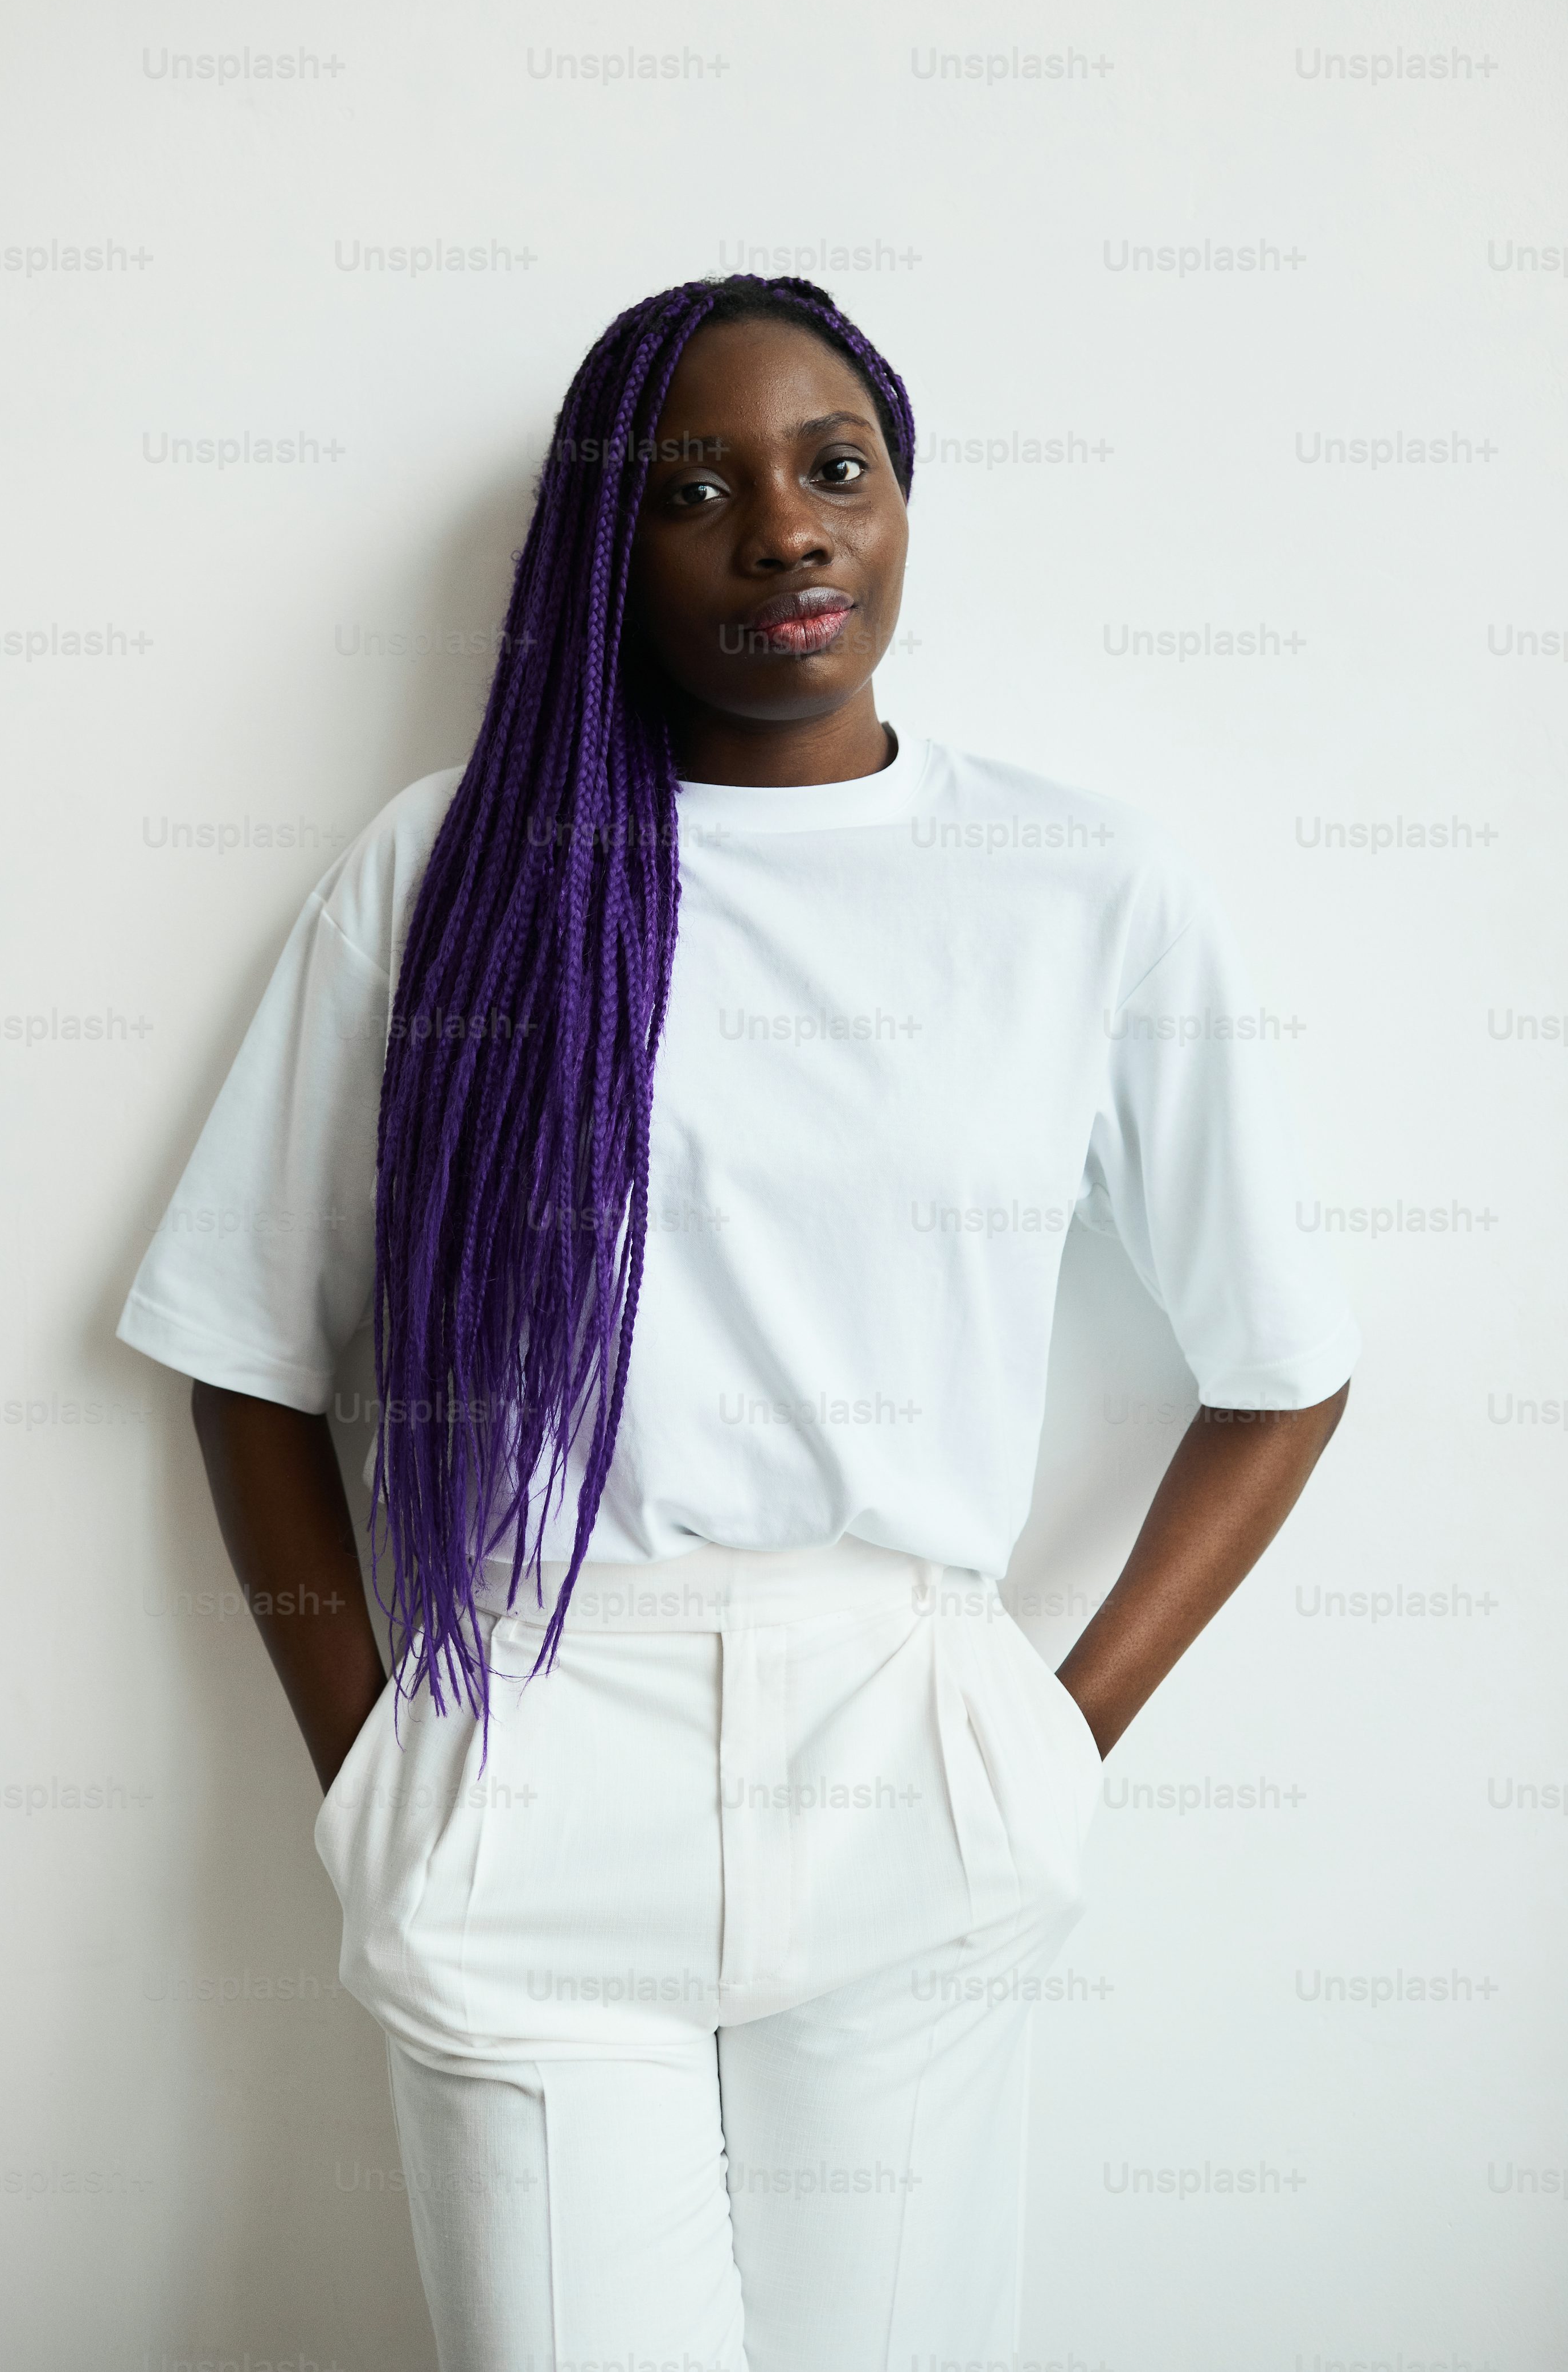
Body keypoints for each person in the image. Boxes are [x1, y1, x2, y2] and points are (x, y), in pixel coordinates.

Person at [118, 274, 1357, 2371]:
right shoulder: (454, 874)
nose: (784, 528)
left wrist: (1051, 1733)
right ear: (615, 555)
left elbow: (1284, 1368)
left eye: (834, 468)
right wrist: (373, 1771)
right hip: (533, 1739)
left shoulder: (1083, 886)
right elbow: (244, 1348)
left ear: (899, 504)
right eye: (695, 490)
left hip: (908, 1758)